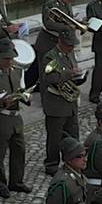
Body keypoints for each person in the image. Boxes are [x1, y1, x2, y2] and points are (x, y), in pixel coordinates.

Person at [0, 40, 32, 199]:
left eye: (11, 58)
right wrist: (2, 102)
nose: (9, 61)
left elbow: (22, 89)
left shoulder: (18, 71)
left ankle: (16, 181)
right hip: (1, 119)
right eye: (6, 59)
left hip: (16, 118)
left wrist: (25, 96)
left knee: (19, 150)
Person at [41, 29, 81, 176]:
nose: (71, 48)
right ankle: (51, 164)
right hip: (56, 103)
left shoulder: (69, 53)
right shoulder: (50, 57)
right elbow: (49, 78)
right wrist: (69, 74)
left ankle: (72, 161)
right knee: (55, 137)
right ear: (60, 42)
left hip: (69, 102)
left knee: (73, 133)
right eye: (68, 45)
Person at [34, 0, 79, 81]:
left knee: (65, 71)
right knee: (47, 75)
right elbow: (48, 23)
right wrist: (66, 27)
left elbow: (68, 18)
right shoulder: (50, 5)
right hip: (48, 42)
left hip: (62, 43)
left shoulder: (67, 4)